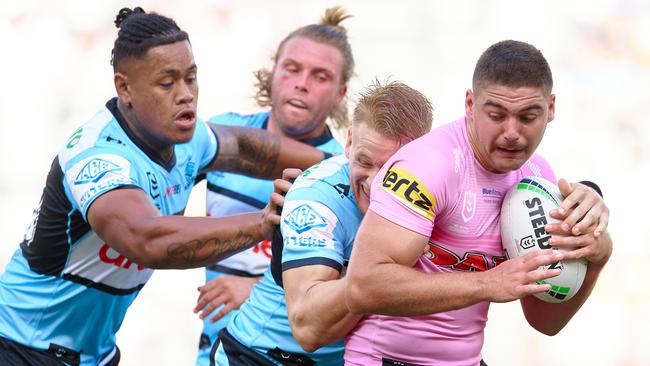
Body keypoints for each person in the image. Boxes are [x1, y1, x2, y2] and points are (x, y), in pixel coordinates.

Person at [0, 7, 328, 366]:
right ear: (124, 87)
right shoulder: (98, 159)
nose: (186, 94)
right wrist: (264, 223)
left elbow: (251, 150)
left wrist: (340, 169)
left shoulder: (186, 137)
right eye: (167, 83)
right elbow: (150, 241)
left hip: (94, 353)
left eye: (191, 77)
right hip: (20, 346)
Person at [344, 40, 612, 366]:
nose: (512, 132)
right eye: (496, 115)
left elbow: (545, 321)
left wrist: (596, 256)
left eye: (528, 116)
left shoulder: (537, 177)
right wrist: (486, 283)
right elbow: (362, 287)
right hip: (387, 359)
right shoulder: (429, 166)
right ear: (470, 104)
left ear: (551, 108)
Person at [212, 80, 434, 366]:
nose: (376, 182)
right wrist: (385, 269)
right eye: (365, 162)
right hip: (261, 357)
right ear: (350, 142)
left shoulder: (437, 184)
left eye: (393, 169)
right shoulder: (315, 198)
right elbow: (309, 329)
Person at [193, 7, 353, 365]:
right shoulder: (224, 136)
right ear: (274, 72)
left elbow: (360, 278)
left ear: (340, 94)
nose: (302, 83)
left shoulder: (345, 172)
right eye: (292, 68)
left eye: (320, 76)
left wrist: (254, 291)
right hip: (215, 353)